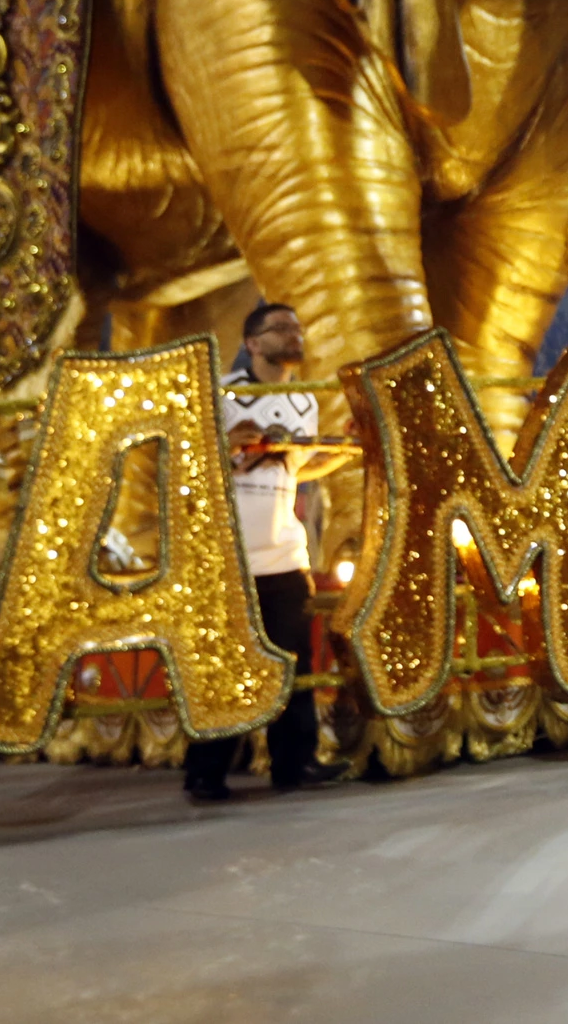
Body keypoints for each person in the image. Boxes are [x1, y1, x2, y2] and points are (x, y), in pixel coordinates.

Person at [181, 302, 357, 802]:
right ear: (252, 344)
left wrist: (339, 451)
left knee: (293, 664)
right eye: (280, 329)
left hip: (283, 552)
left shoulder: (303, 400)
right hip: (226, 556)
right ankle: (207, 770)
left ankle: (294, 763)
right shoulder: (220, 392)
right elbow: (188, 462)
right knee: (224, 666)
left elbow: (292, 468)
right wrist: (226, 447)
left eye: (297, 328)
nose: (294, 335)